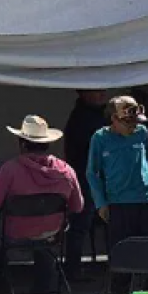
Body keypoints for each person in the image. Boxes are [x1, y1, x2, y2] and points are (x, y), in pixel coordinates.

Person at [0, 116, 84, 294]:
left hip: (15, 231)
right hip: (53, 232)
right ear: (48, 144)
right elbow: (78, 207)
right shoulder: (66, 170)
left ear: (22, 143)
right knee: (44, 234)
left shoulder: (10, 169)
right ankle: (46, 284)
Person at [87, 96, 148, 294]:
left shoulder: (142, 133)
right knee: (121, 258)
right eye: (127, 122)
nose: (133, 126)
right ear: (114, 118)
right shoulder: (100, 138)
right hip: (119, 202)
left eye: (135, 121)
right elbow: (92, 172)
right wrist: (100, 203)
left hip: (147, 199)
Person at [62, 89, 109, 277]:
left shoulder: (96, 115)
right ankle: (73, 268)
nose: (102, 94)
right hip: (86, 176)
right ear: (84, 93)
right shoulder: (82, 119)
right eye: (97, 91)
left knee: (105, 222)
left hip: (97, 176)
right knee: (80, 223)